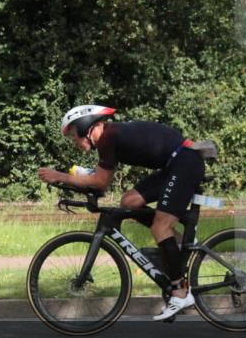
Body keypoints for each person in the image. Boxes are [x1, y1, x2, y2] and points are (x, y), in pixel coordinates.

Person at [37, 105, 205, 321]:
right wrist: (73, 182)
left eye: (73, 137)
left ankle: (180, 293)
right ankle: (180, 242)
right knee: (129, 202)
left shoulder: (108, 137)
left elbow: (100, 182)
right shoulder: (110, 136)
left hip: (184, 163)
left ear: (84, 127)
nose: (74, 143)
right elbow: (100, 181)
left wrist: (61, 176)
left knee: (160, 228)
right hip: (175, 163)